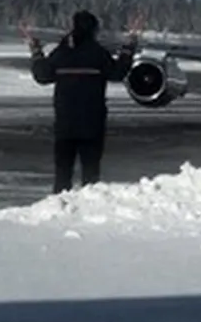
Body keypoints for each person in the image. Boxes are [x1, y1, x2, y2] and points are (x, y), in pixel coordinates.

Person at [28, 10, 137, 193]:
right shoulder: (98, 53)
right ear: (94, 30)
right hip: (92, 123)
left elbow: (42, 75)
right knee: (91, 174)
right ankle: (87, 204)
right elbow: (118, 73)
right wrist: (128, 49)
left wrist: (36, 53)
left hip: (65, 123)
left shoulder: (61, 53)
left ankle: (60, 204)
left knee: (63, 174)